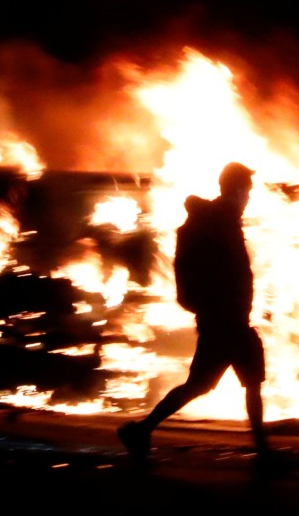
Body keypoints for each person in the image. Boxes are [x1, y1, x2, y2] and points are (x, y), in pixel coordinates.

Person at [118, 162, 278, 470]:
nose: (250, 195)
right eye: (246, 188)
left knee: (207, 384)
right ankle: (263, 453)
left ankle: (141, 430)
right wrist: (226, 307)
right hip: (224, 320)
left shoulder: (223, 220)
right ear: (234, 189)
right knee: (238, 382)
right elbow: (221, 273)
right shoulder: (217, 222)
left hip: (226, 319)